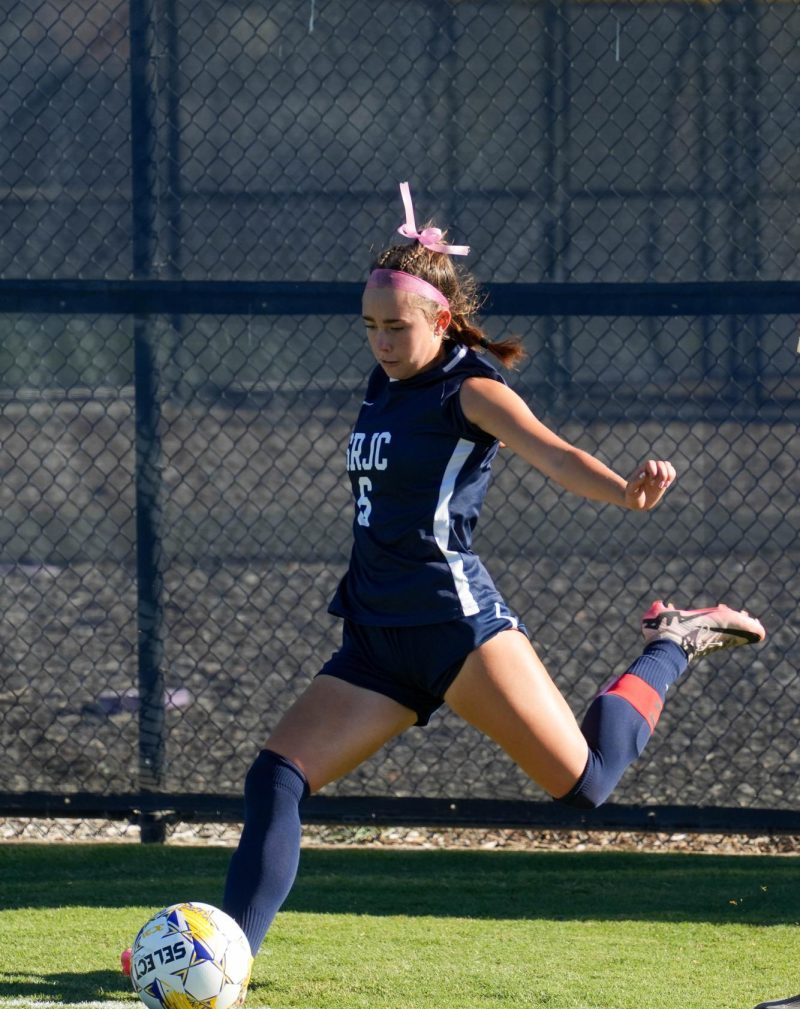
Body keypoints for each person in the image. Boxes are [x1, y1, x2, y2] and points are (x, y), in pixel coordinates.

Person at [220, 182, 766, 962]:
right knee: (274, 777)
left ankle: (675, 640)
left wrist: (622, 490)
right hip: (375, 638)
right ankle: (226, 957)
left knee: (585, 785)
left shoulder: (469, 389)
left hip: (454, 629)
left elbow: (553, 453)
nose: (380, 340)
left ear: (440, 320)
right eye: (369, 325)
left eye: (396, 326)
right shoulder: (385, 386)